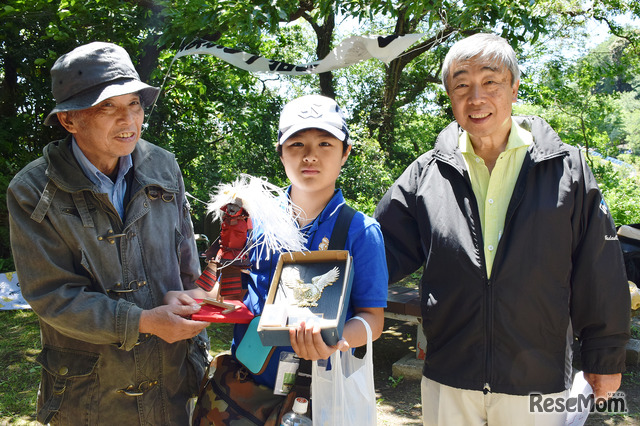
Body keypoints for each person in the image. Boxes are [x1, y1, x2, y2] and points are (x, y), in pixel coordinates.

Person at [374, 33, 630, 425]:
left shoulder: (567, 170)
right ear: (449, 96)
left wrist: (605, 355)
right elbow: (378, 251)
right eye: (461, 85)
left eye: (490, 82)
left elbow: (599, 267)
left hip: (537, 378)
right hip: (450, 375)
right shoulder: (426, 175)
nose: (476, 97)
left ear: (513, 87)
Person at [7, 42, 211, 424]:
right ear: (69, 120)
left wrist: (193, 296)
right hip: (90, 396)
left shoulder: (163, 165)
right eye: (108, 107)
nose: (129, 120)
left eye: (134, 103)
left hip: (173, 380)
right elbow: (52, 296)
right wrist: (144, 321)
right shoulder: (33, 190)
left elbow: (186, 261)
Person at [188, 94, 389, 424]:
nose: (310, 156)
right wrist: (195, 301)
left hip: (318, 398)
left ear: (345, 153)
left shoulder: (361, 232)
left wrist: (334, 341)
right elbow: (216, 285)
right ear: (281, 152)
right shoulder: (252, 219)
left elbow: (372, 319)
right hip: (242, 391)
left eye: (325, 143)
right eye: (296, 144)